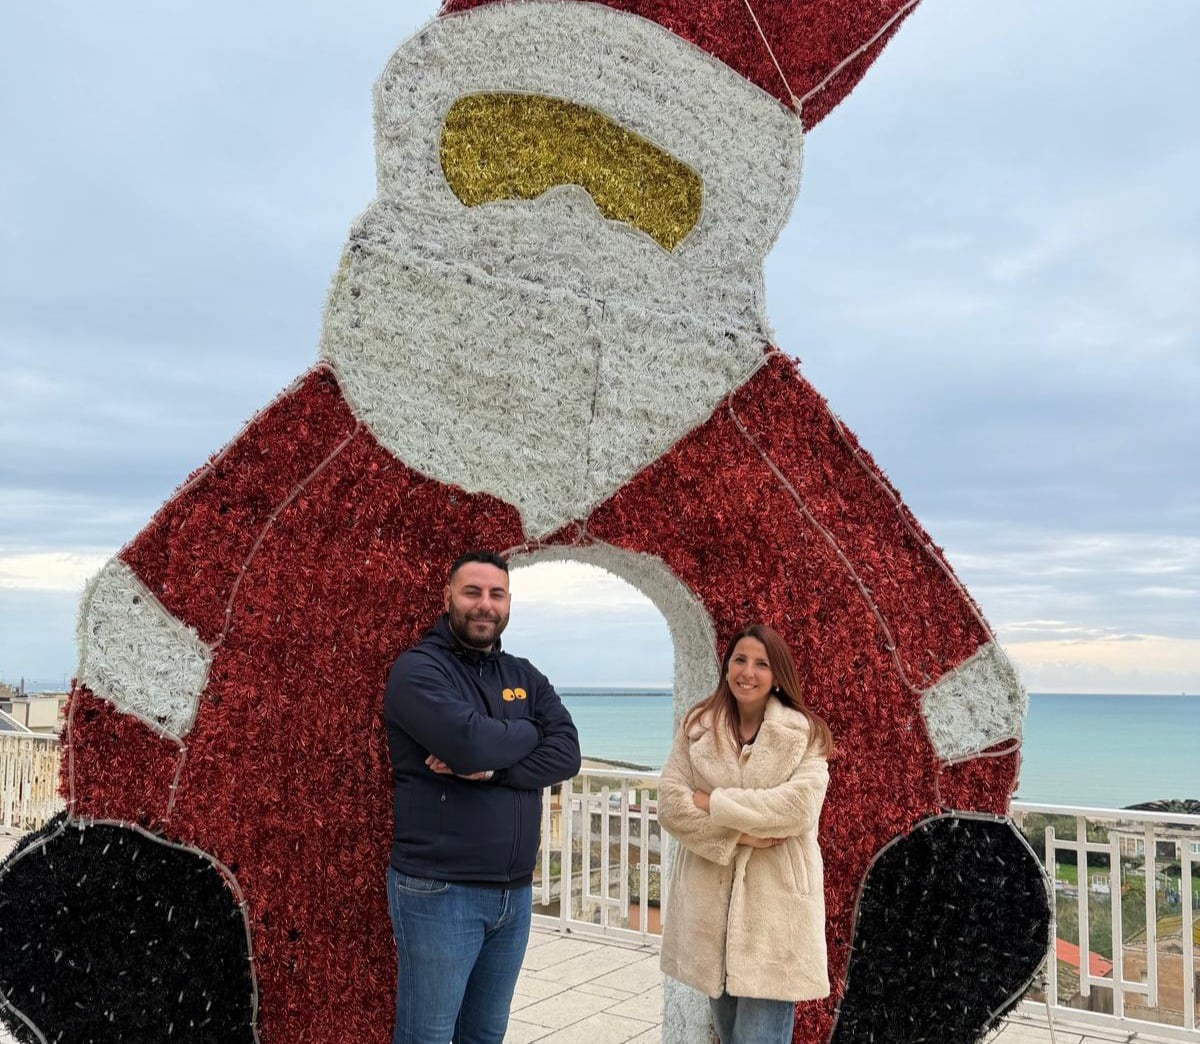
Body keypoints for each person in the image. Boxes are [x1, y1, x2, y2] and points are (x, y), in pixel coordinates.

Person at [383, 550, 581, 1044]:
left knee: (485, 1035)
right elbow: (467, 744)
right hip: (439, 890)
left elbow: (568, 754)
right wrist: (531, 730)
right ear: (448, 596)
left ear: (508, 603)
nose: (484, 605)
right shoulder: (417, 670)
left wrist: (493, 769)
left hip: (513, 894)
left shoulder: (523, 674)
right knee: (426, 1036)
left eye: (496, 594)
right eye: (472, 592)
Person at [658, 623, 834, 1044]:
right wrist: (739, 836)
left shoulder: (804, 734)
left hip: (775, 918)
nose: (748, 672)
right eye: (740, 660)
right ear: (727, 666)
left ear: (778, 676)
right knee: (729, 1034)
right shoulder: (698, 726)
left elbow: (796, 808)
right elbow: (669, 803)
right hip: (709, 914)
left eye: (761, 663)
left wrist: (711, 801)